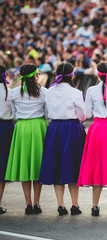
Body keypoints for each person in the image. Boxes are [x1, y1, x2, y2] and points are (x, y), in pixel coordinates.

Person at [77, 62, 107, 217]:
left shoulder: (91, 90)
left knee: (97, 165)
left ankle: (95, 206)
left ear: (98, 74)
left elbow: (87, 114)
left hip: (98, 128)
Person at [39, 62, 86, 216]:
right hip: (72, 128)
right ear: (72, 75)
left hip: (55, 128)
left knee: (57, 164)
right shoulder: (75, 92)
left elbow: (46, 112)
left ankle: (60, 204)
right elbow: (82, 115)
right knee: (73, 165)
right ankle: (75, 204)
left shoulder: (49, 91)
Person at [5, 63, 48, 215]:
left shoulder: (14, 93)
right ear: (36, 75)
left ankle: (28, 203)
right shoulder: (43, 91)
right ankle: (37, 202)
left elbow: (14, 111)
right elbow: (47, 111)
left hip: (22, 127)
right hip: (38, 126)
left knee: (25, 164)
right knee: (37, 165)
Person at [0, 65, 14, 214]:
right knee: (1, 164)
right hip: (4, 127)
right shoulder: (9, 92)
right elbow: (14, 111)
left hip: (4, 126)